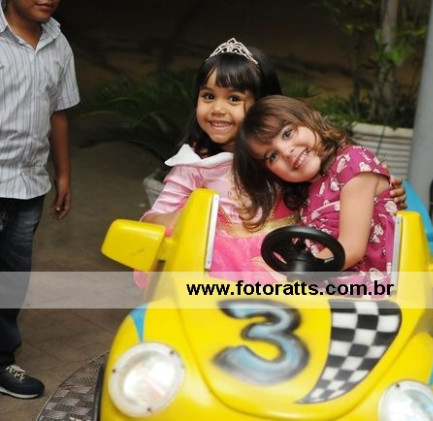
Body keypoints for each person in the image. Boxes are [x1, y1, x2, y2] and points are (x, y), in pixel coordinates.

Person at [141, 38, 407, 283]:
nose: (218, 109)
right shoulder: (197, 164)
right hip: (241, 265)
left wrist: (381, 192)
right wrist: (181, 218)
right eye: (208, 96)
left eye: (234, 98)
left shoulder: (296, 165)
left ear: (264, 105)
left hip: (302, 263)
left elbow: (347, 197)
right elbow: (152, 219)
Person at [234, 95, 399, 293]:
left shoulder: (352, 163)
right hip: (327, 282)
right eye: (273, 156)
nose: (286, 151)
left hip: (371, 287)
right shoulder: (303, 192)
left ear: (309, 118)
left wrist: (296, 274)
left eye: (287, 134)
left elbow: (351, 248)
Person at [0, 0, 79, 399]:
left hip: (29, 185)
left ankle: (1, 360)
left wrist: (62, 174)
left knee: (13, 278)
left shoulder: (57, 42)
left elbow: (58, 112)